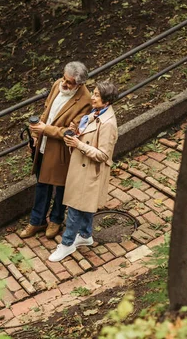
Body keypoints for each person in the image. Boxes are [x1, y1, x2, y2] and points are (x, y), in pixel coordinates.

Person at [19, 62, 92, 239]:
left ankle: (56, 220)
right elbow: (47, 110)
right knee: (41, 184)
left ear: (80, 84)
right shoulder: (57, 85)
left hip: (61, 150)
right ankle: (37, 221)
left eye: (70, 83)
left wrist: (45, 129)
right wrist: (36, 133)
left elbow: (72, 131)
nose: (64, 84)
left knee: (60, 187)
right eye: (64, 79)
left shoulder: (85, 101)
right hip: (43, 144)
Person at [49, 81, 119, 262]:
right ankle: (86, 235)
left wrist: (78, 145)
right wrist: (76, 133)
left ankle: (67, 244)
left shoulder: (108, 124)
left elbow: (103, 155)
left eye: (96, 95)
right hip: (82, 168)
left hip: (90, 171)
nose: (92, 97)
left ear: (106, 101)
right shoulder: (94, 114)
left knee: (75, 207)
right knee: (85, 204)